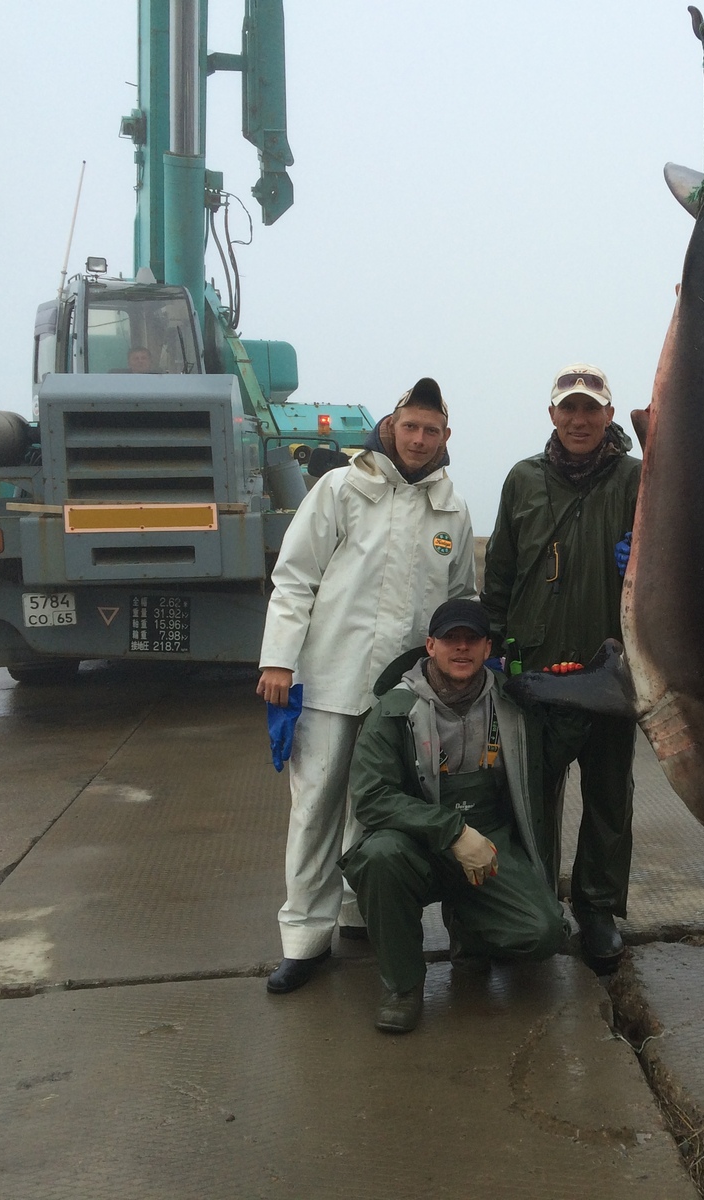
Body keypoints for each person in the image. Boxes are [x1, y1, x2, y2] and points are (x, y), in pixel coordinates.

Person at [257, 378, 477, 995]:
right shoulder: (341, 488)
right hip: (330, 680)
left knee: (376, 809)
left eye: (431, 430)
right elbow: (294, 578)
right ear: (390, 426)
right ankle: (303, 939)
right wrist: (278, 661)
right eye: (410, 427)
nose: (418, 439)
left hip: (403, 696)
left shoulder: (451, 509)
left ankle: (358, 912)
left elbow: (460, 602)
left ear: (445, 436)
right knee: (317, 809)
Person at [340, 598, 567, 1033]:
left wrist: (572, 702)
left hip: (490, 842)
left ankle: (470, 925)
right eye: (450, 639)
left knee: (544, 933)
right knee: (379, 857)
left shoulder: (513, 703)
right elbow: (370, 797)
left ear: (488, 649)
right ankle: (403, 987)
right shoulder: (393, 709)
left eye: (472, 640)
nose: (461, 649)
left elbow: (549, 759)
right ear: (430, 645)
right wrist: (452, 831)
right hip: (418, 845)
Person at [481, 363, 640, 968]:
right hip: (534, 673)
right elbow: (498, 569)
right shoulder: (522, 480)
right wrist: (492, 645)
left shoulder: (635, 478)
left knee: (608, 799)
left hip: (609, 673)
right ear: (552, 415)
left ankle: (598, 911)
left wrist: (639, 558)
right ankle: (536, 902)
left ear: (609, 415)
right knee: (530, 799)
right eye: (568, 409)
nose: (579, 420)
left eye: (590, 409)